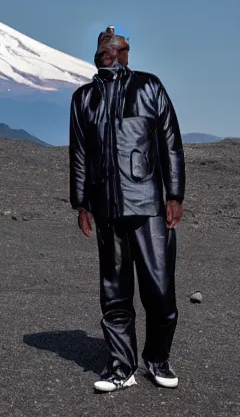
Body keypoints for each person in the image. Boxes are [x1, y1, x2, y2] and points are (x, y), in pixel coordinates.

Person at [68, 26, 186, 393]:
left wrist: (174, 196)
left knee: (160, 290)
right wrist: (82, 203)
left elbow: (171, 144)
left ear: (125, 52)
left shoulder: (150, 87)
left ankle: (157, 358)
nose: (107, 50)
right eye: (102, 46)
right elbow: (79, 155)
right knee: (115, 292)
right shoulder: (84, 98)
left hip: (149, 205)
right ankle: (121, 367)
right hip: (107, 208)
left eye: (113, 46)